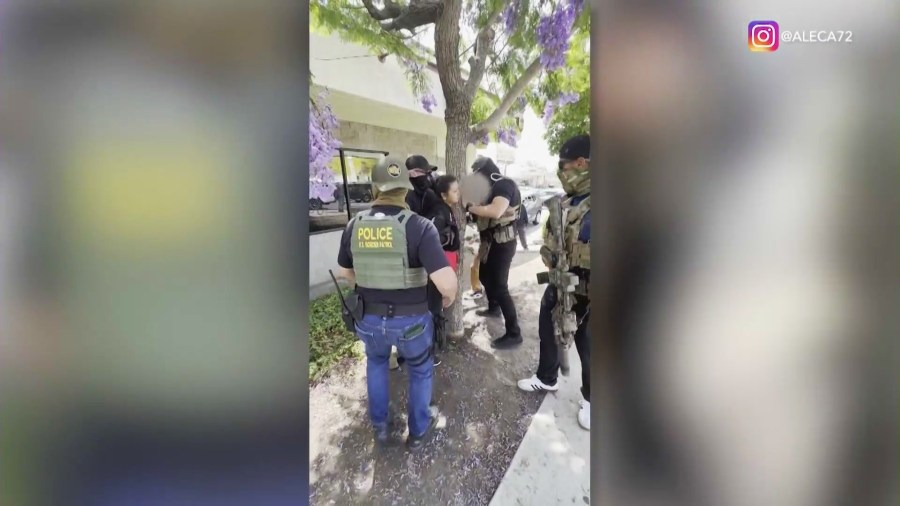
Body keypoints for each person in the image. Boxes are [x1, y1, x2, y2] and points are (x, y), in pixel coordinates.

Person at [337, 155, 458, 451]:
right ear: (405, 190)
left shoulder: (354, 224)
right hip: (411, 323)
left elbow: (344, 272)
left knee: (377, 364)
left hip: (368, 319)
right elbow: (445, 283)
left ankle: (380, 428)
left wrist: (369, 281)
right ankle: (417, 433)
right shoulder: (419, 226)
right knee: (419, 370)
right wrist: (448, 297)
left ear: (374, 189)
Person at [517, 134, 591, 431]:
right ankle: (547, 377)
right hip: (559, 284)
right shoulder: (566, 201)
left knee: (589, 346)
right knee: (548, 329)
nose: (560, 172)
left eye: (564, 166)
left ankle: (592, 400)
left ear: (582, 163)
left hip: (590, 292)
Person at [465, 156, 522, 348]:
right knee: (484, 275)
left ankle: (514, 333)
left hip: (503, 243)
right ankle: (494, 308)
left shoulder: (504, 185)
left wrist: (471, 207)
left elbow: (496, 211)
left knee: (500, 287)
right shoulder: (490, 188)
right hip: (489, 241)